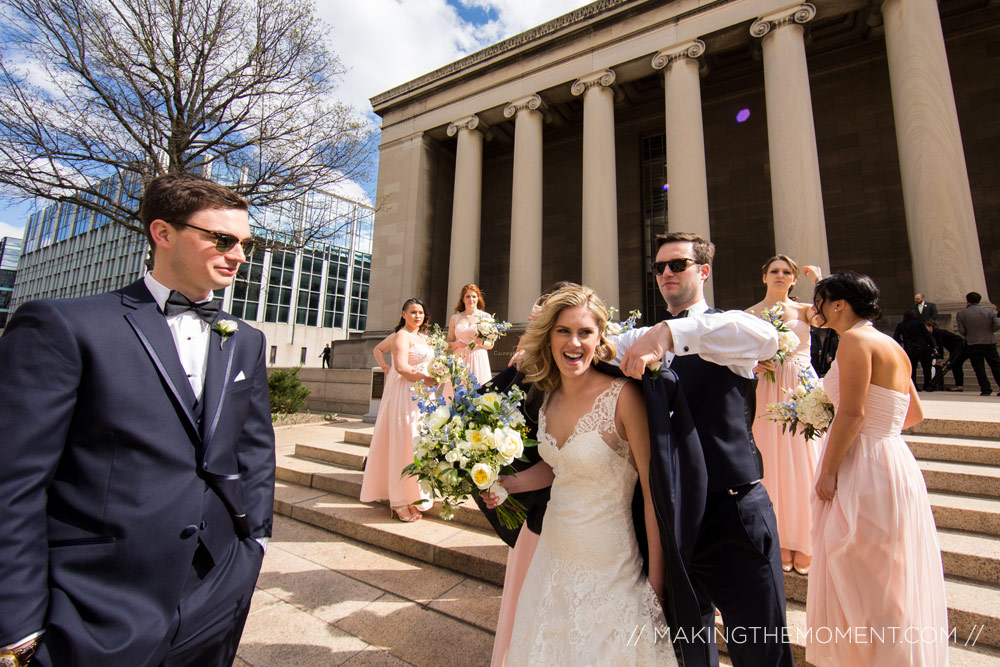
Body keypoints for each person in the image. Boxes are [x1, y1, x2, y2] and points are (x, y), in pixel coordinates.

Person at [0, 173, 275, 667]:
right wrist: (16, 626)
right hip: (95, 602)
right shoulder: (63, 325)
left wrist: (252, 546)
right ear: (163, 233)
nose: (238, 255)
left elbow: (253, 449)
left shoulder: (245, 340)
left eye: (245, 244)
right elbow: (12, 483)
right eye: (222, 239)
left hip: (216, 590)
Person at [616, 232, 792, 667]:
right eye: (659, 267)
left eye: (677, 264)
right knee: (687, 649)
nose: (666, 274)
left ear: (704, 271)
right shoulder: (637, 339)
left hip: (731, 512)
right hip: (671, 519)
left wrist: (670, 333)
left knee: (761, 648)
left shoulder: (726, 330)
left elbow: (767, 337)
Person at [487, 284, 676, 665]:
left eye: (585, 332)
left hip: (612, 569)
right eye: (564, 331)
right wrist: (512, 483)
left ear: (599, 338)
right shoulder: (547, 396)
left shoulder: (624, 397)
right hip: (551, 558)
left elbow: (657, 494)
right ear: (548, 337)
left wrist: (657, 582)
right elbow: (560, 466)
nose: (575, 343)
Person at [806, 272, 948, 666]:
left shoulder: (852, 341)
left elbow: (852, 413)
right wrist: (878, 431)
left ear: (839, 304)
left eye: (820, 300)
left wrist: (829, 470)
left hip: (864, 466)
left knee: (860, 571)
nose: (815, 307)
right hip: (894, 459)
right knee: (889, 575)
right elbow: (913, 414)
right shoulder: (890, 344)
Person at [746, 255, 822, 576]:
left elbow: (832, 317)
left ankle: (804, 540)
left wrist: (819, 283)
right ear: (764, 277)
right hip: (765, 390)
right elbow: (736, 353)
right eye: (774, 271)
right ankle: (778, 538)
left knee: (801, 460)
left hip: (800, 389)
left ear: (794, 279)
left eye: (786, 272)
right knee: (771, 462)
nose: (780, 275)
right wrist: (750, 363)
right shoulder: (749, 314)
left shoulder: (806, 310)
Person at [359, 298, 435, 521]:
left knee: (418, 444)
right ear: (403, 314)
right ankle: (400, 500)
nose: (417, 316)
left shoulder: (423, 337)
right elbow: (401, 367)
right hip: (406, 393)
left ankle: (415, 495)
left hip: (423, 396)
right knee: (405, 442)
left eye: (420, 312)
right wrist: (426, 378)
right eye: (412, 312)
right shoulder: (401, 336)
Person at [955, 291, 1000, 396]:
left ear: (967, 300)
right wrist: (989, 331)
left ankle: (985, 389)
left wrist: (969, 333)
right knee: (996, 366)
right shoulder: (989, 311)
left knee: (979, 367)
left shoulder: (961, 314)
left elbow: (961, 331)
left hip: (973, 343)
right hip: (989, 341)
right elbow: (997, 324)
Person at [447, 283, 493, 383]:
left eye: (474, 296)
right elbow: (448, 344)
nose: (471, 299)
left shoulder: (486, 317)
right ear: (463, 299)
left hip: (478, 357)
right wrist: (455, 344)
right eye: (468, 296)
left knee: (478, 390)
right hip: (459, 359)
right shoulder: (454, 318)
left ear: (478, 298)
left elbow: (491, 344)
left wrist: (481, 342)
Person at [893, 310, 937, 391]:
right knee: (926, 368)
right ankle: (927, 385)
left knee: (912, 368)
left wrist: (901, 343)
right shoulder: (919, 323)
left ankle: (914, 386)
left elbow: (896, 337)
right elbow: (926, 335)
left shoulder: (901, 325)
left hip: (910, 348)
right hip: (922, 347)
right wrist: (933, 346)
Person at [926, 320, 966, 392]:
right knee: (956, 366)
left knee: (956, 365)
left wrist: (940, 358)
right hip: (956, 347)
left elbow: (940, 345)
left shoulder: (936, 333)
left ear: (930, 327)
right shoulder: (936, 332)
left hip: (958, 347)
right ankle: (959, 385)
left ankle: (959, 386)